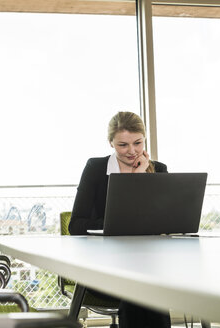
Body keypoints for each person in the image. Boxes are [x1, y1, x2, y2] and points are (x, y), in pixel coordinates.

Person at [69, 111, 171, 328]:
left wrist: (141, 178)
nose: (132, 151)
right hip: (105, 264)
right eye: (123, 145)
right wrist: (115, 223)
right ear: (111, 143)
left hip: (149, 263)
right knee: (144, 286)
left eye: (138, 143)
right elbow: (76, 225)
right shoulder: (96, 169)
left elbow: (167, 223)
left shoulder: (158, 170)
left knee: (146, 282)